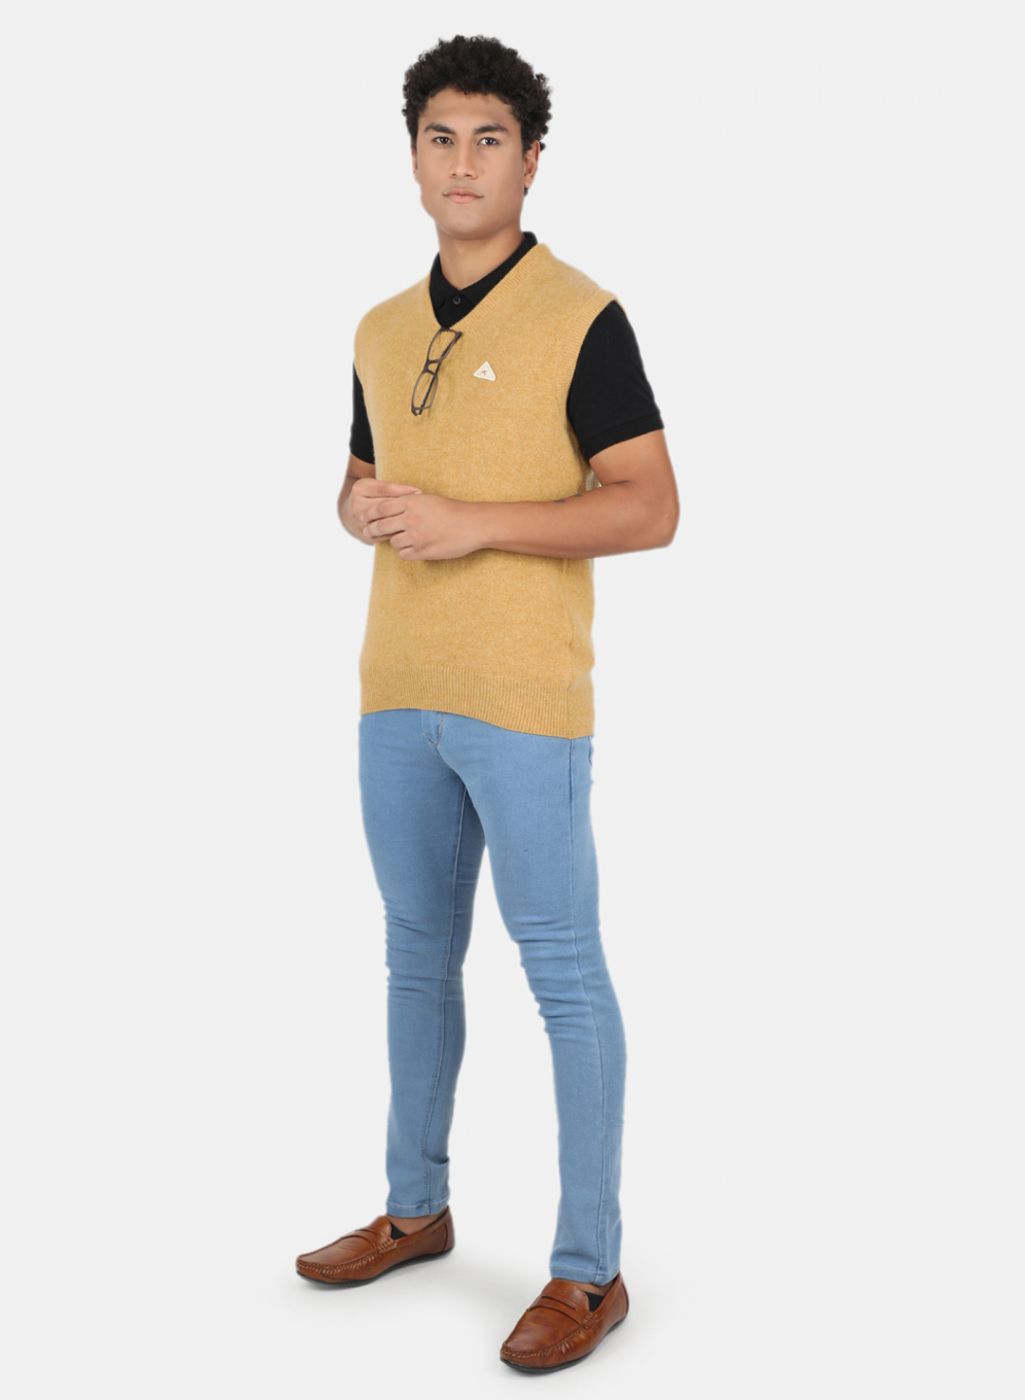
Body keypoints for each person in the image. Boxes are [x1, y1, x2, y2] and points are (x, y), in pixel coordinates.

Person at [295, 33, 679, 1372]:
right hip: (394, 689)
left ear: (530, 160)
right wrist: (363, 510)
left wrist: (472, 521)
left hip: (523, 700)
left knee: (561, 970)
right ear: (413, 157)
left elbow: (650, 506)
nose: (462, 162)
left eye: (489, 138)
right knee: (414, 955)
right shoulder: (377, 328)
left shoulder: (583, 315)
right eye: (440, 137)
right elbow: (357, 481)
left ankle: (589, 1271)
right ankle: (416, 1208)